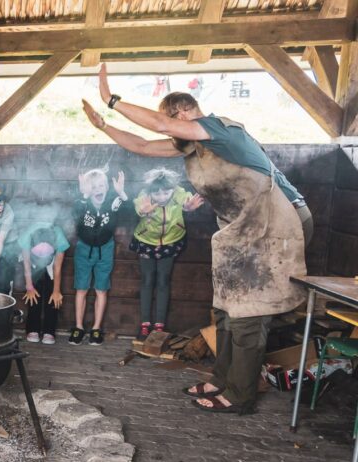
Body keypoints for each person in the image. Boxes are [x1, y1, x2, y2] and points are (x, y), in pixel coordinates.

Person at [83, 63, 307, 414]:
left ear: (184, 112)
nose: (172, 129)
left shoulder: (220, 130)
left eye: (174, 121)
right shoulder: (194, 146)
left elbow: (157, 125)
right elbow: (142, 144)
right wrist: (104, 126)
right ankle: (222, 379)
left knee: (249, 316)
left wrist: (111, 99)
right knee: (226, 310)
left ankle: (241, 395)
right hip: (245, 231)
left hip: (278, 227)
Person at [131, 169, 205, 339]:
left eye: (166, 192)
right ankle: (145, 323)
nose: (162, 197)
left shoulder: (177, 193)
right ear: (150, 191)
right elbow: (139, 206)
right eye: (157, 193)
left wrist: (187, 206)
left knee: (164, 280)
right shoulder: (145, 196)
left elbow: (185, 199)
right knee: (147, 280)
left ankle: (159, 325)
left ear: (172, 188)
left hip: (171, 241)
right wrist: (143, 211)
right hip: (146, 242)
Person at [68, 169, 128, 346]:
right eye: (93, 186)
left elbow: (129, 210)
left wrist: (121, 192)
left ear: (107, 187)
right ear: (87, 189)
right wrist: (84, 195)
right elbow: (75, 212)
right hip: (84, 249)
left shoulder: (113, 202)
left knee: (101, 289)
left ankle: (96, 329)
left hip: (105, 249)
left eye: (101, 185)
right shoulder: (82, 203)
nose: (97, 189)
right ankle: (78, 327)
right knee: (81, 289)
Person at [20, 223, 69, 344]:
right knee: (33, 294)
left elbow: (57, 268)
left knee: (52, 295)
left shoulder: (59, 239)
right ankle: (32, 328)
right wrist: (29, 287)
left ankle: (49, 330)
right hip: (33, 264)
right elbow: (26, 265)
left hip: (51, 265)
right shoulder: (27, 238)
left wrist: (56, 291)